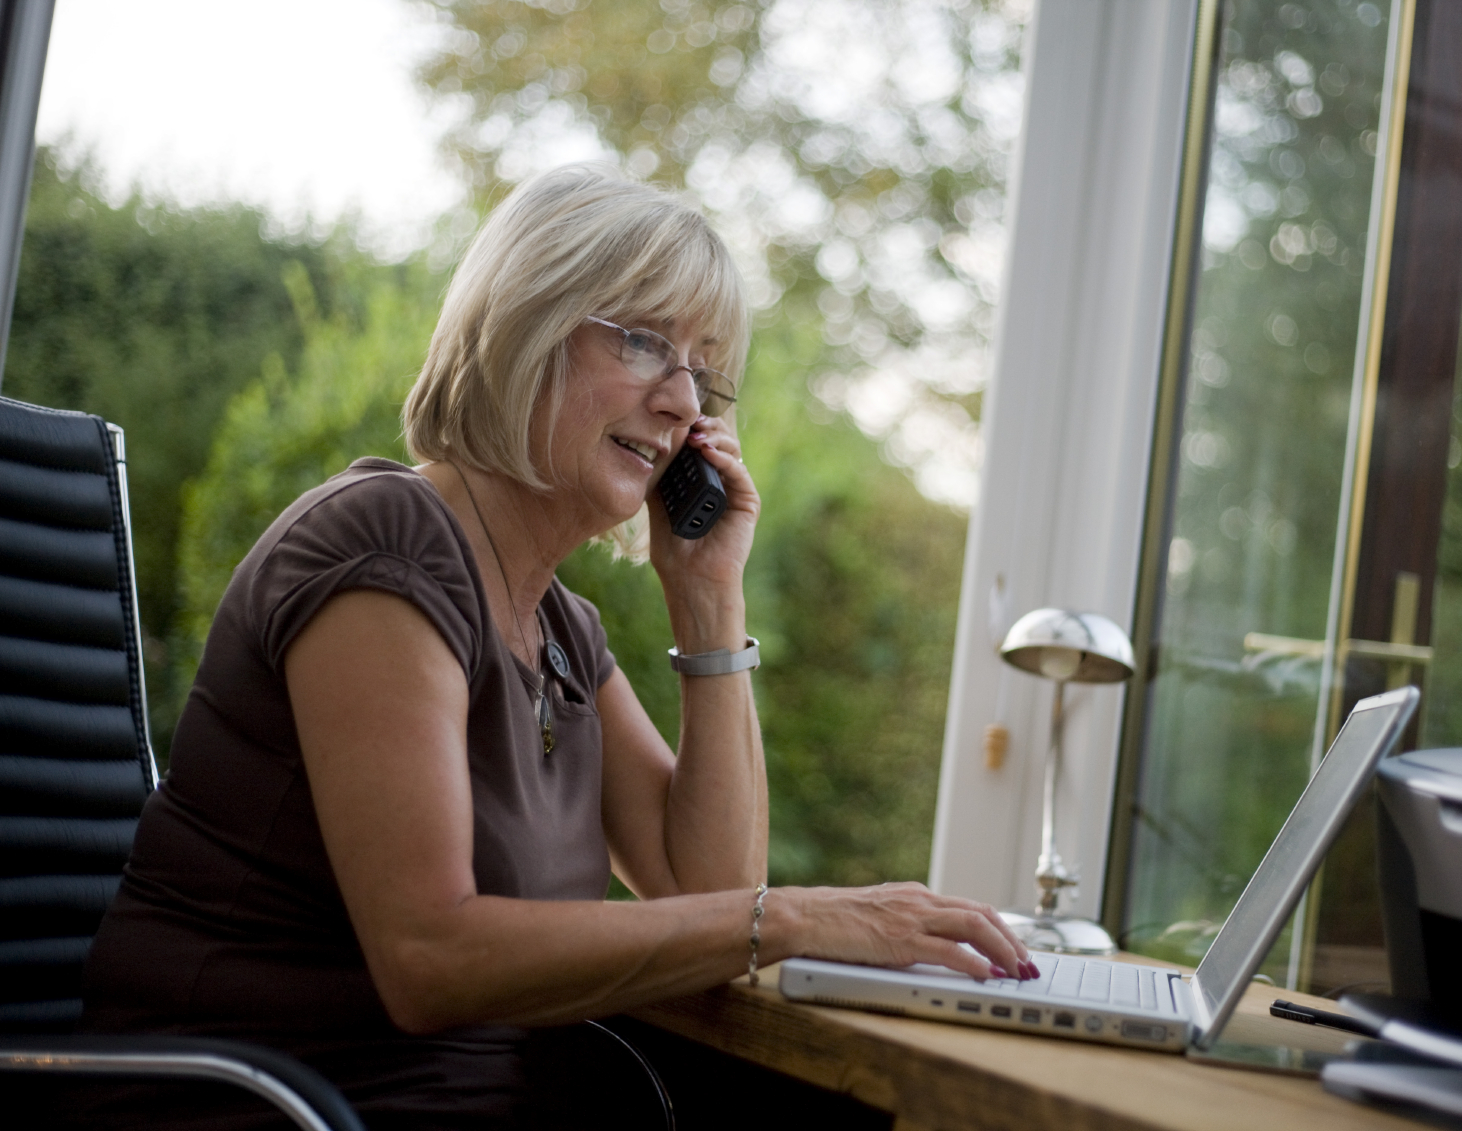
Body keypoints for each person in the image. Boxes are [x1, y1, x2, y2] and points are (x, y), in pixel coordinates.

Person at [78, 166, 1033, 1128]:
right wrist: (797, 915)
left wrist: (707, 598)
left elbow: (705, 890)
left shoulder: (561, 627)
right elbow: (430, 958)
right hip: (266, 1107)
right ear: (524, 325)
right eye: (645, 341)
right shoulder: (381, 546)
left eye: (704, 371)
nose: (682, 401)